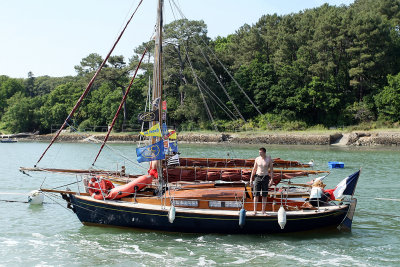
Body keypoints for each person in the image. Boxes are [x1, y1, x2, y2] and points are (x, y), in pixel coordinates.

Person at [250, 147, 273, 215]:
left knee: (264, 195)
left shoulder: (269, 159)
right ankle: (255, 211)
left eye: (261, 152)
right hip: (257, 177)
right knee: (256, 195)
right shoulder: (257, 159)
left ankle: (263, 211)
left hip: (265, 177)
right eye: (259, 152)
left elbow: (271, 170)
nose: (259, 153)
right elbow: (254, 169)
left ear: (264, 152)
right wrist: (251, 179)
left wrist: (271, 179)